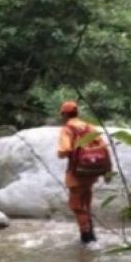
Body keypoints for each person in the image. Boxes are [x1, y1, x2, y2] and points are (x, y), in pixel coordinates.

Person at [57, 100, 99, 243]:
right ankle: (91, 234)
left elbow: (64, 150)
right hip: (91, 172)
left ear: (64, 114)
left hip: (76, 173)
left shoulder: (67, 129)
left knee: (76, 205)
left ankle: (86, 238)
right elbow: (101, 145)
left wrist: (60, 153)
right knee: (86, 203)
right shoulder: (89, 127)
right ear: (77, 113)